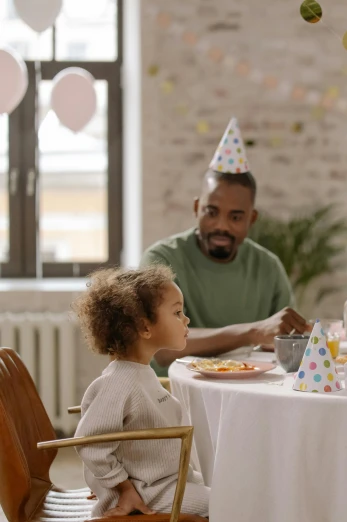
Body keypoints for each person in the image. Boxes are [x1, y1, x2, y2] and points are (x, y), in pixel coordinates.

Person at [141, 118, 309, 376]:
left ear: (251, 219)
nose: (222, 226)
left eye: (236, 217)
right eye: (211, 212)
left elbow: (285, 347)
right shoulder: (162, 260)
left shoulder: (268, 267)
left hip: (252, 392)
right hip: (177, 400)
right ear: (197, 208)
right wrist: (253, 332)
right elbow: (163, 349)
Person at [71, 266, 210, 518]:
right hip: (150, 492)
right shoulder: (119, 382)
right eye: (177, 312)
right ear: (145, 328)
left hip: (167, 480)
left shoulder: (139, 372)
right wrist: (120, 487)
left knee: (230, 484)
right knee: (230, 502)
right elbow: (90, 443)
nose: (186, 320)